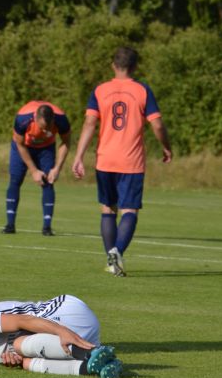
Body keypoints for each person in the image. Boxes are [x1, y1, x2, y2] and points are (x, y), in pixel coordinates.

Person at [71, 46, 172, 277]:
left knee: (108, 208)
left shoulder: (100, 90)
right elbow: (157, 124)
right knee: (129, 210)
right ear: (135, 66)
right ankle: (116, 254)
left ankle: (111, 258)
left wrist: (78, 156)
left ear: (113, 65)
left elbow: (89, 123)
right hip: (131, 162)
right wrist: (166, 146)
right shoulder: (142, 90)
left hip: (105, 160)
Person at [2, 101, 71, 236]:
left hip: (46, 149)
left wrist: (57, 168)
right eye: (42, 127)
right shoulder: (22, 119)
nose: (45, 131)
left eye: (48, 128)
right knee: (15, 180)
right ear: (35, 118)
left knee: (48, 181)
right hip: (23, 146)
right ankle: (10, 225)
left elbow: (66, 141)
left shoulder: (61, 120)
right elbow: (20, 144)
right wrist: (33, 171)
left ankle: (47, 227)